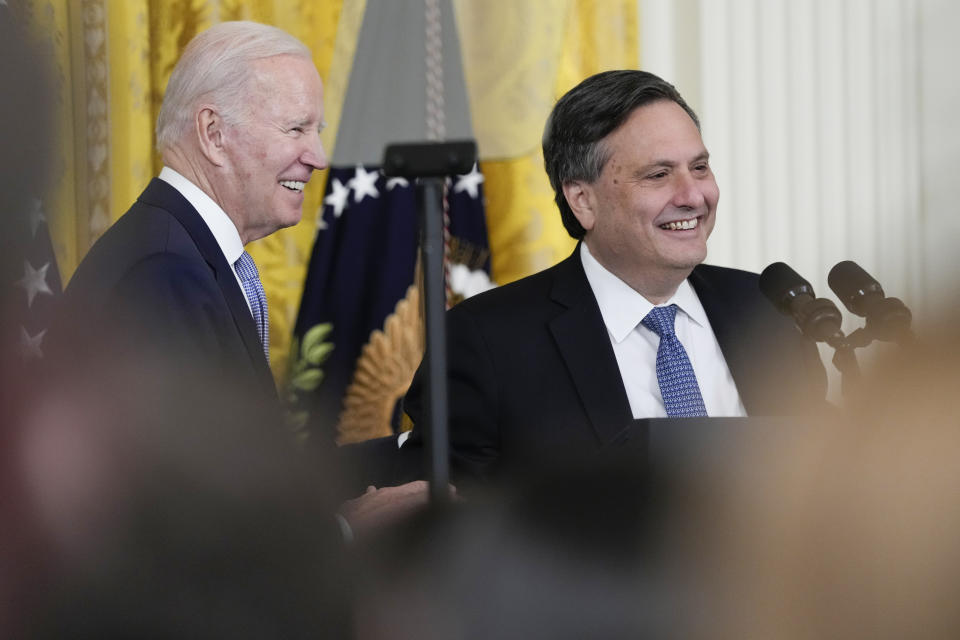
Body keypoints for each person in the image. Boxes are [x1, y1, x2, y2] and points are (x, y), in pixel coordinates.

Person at [54, 21, 428, 531]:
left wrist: (417, 449)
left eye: (315, 132)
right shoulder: (163, 276)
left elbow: (247, 468)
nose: (318, 158)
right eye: (296, 129)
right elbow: (189, 513)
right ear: (213, 134)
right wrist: (345, 533)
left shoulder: (185, 252)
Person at [403, 70, 826, 482]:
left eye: (699, 168)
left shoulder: (769, 309)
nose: (693, 195)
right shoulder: (484, 341)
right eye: (658, 175)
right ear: (583, 201)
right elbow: (443, 527)